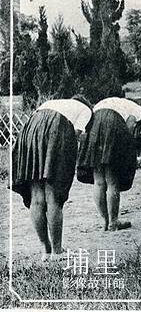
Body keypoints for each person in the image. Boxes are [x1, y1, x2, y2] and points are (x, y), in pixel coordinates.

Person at [10, 97, 92, 261]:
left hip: (31, 131)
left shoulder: (54, 103)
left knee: (37, 197)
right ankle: (57, 251)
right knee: (53, 196)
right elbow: (76, 135)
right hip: (56, 129)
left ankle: (45, 250)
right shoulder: (86, 110)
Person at [77, 97, 141, 231]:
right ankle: (114, 221)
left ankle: (104, 221)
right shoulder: (137, 109)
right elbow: (129, 129)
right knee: (112, 180)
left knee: (99, 181)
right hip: (113, 123)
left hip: (95, 123)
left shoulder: (103, 102)